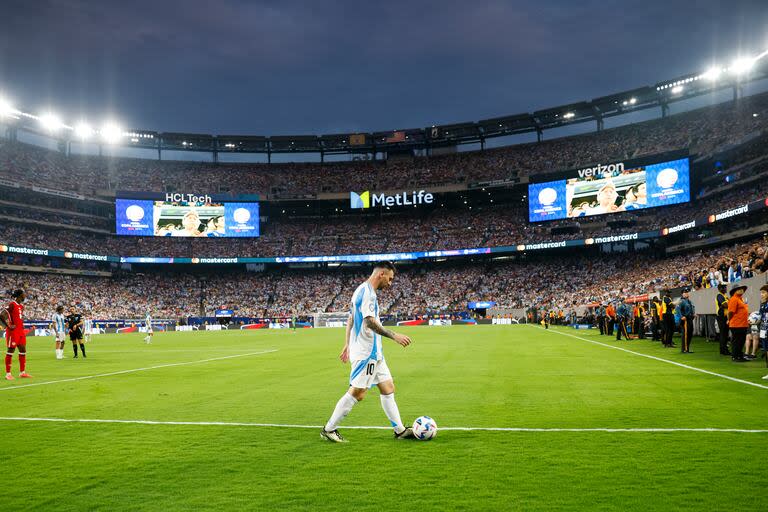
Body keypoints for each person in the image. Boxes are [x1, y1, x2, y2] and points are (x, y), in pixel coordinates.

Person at [321, 261, 415, 443]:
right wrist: (394, 335)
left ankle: (400, 430)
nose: (390, 283)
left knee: (388, 388)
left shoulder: (361, 290)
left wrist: (347, 344)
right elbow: (369, 321)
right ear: (381, 274)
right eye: (390, 278)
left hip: (375, 353)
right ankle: (329, 429)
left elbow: (351, 318)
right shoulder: (368, 294)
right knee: (358, 392)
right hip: (366, 353)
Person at [1, 289, 32, 380]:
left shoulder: (21, 306)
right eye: (23, 295)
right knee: (10, 350)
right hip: (13, 332)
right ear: (19, 296)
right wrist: (8, 325)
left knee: (23, 350)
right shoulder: (12, 304)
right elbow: (2, 314)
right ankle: (8, 374)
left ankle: (22, 372)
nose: (24, 296)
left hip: (20, 331)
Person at [727, 284, 749, 362]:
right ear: (734, 291)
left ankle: (739, 356)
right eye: (739, 289)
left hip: (743, 324)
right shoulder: (734, 299)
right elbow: (730, 312)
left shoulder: (741, 299)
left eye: (742, 289)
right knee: (737, 341)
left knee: (741, 341)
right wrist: (729, 320)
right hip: (736, 324)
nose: (741, 290)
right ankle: (735, 356)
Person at [715, 284, 731, 356]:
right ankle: (723, 350)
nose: (725, 288)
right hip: (721, 317)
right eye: (724, 287)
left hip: (725, 316)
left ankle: (724, 350)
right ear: (720, 289)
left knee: (725, 334)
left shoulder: (725, 296)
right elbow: (725, 305)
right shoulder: (719, 295)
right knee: (723, 334)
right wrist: (731, 303)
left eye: (725, 287)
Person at [678, 288, 695, 353]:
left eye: (687, 292)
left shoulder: (689, 301)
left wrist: (693, 314)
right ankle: (684, 349)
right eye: (685, 292)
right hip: (685, 320)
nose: (686, 293)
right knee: (685, 334)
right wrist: (681, 316)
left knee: (690, 334)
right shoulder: (681, 301)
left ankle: (687, 348)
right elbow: (678, 309)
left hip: (690, 319)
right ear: (682, 294)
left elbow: (691, 309)